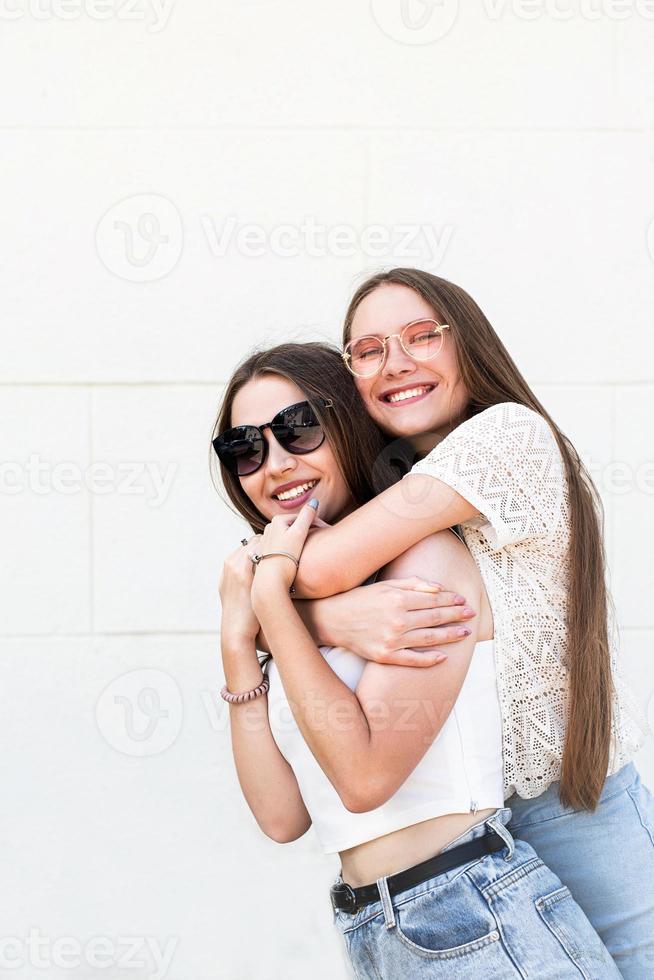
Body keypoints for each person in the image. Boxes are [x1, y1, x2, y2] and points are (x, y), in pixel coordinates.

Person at [284, 268, 654, 978]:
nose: (397, 362)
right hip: (474, 826)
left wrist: (314, 610)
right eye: (368, 350)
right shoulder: (387, 486)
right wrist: (321, 616)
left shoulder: (507, 437)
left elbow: (308, 571)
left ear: (468, 345)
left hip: (572, 803)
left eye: (423, 336)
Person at [212, 342, 620, 978]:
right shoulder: (297, 602)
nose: (276, 464)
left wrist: (265, 597)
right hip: (376, 929)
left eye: (298, 430)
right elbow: (283, 816)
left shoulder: (425, 561)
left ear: (348, 427)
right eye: (245, 448)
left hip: (475, 913)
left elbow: (365, 778)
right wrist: (238, 646)